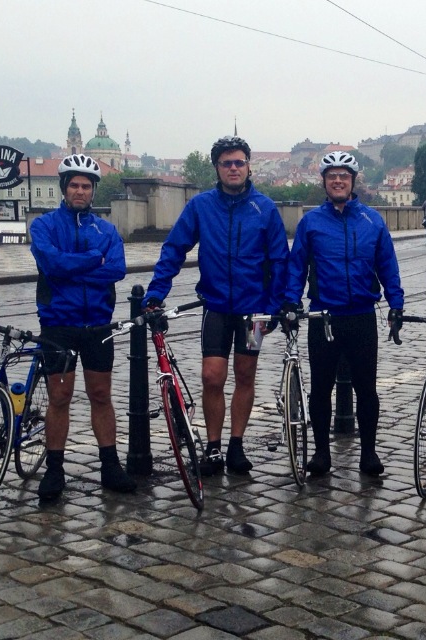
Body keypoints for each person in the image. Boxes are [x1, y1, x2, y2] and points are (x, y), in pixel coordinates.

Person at [145, 136, 288, 477]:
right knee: (212, 376)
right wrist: (156, 292)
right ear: (217, 168)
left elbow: (280, 261)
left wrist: (275, 306)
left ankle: (236, 444)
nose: (234, 168)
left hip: (254, 311)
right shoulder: (201, 206)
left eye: (239, 162)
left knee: (245, 374)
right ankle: (213, 446)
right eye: (227, 163)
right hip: (217, 306)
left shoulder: (264, 208)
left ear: (249, 165)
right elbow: (174, 248)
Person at [284, 151, 404, 477]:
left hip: (362, 314)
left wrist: (396, 303)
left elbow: (387, 267)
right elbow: (296, 268)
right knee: (321, 389)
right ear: (324, 181)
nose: (338, 180)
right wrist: (291, 302)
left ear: (353, 182)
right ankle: (322, 453)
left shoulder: (372, 220)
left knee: (366, 389)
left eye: (344, 175)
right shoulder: (311, 222)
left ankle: (368, 452)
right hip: (324, 317)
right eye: (332, 175)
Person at [29, 153, 134, 501]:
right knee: (60, 397)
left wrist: (70, 267)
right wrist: (92, 259)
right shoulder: (44, 226)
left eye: (86, 186)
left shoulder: (106, 229)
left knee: (101, 395)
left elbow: (116, 269)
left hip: (97, 324)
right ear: (63, 188)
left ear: (93, 191)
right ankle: (54, 470)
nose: (79, 190)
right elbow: (51, 264)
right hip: (59, 323)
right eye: (73, 185)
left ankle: (110, 466)